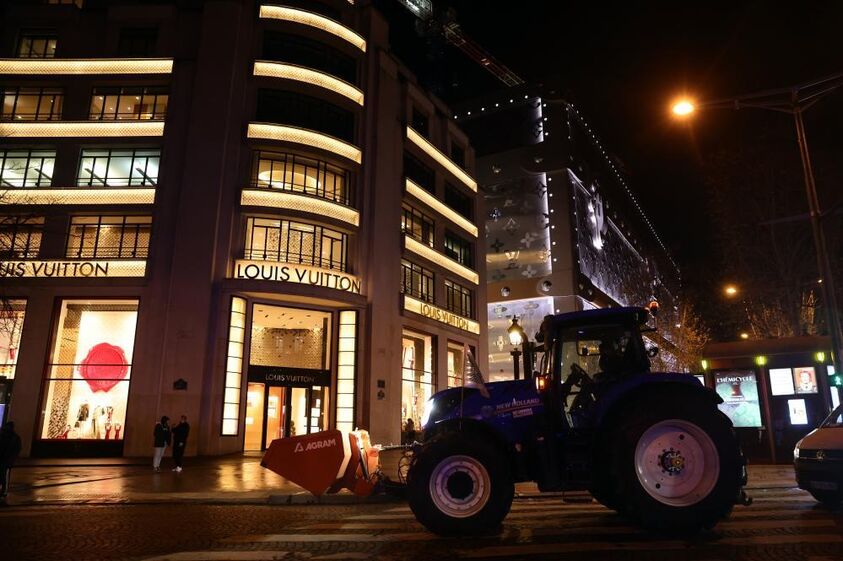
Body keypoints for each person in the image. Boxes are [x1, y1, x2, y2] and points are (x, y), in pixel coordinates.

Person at [0, 421, 22, 503]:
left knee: (4, 476)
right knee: (5, 476)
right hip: (6, 461)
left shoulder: (7, 436)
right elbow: (16, 450)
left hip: (5, 460)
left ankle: (4, 492)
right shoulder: (14, 437)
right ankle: (4, 492)